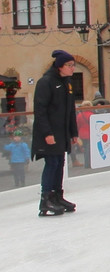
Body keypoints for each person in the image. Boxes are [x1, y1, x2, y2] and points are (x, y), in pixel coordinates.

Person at [32, 50, 82, 216]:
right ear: (60, 66)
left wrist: (73, 133)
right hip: (49, 133)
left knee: (60, 163)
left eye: (73, 65)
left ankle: (57, 196)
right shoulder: (46, 82)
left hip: (61, 133)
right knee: (52, 163)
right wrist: (47, 133)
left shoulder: (67, 83)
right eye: (69, 65)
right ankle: (46, 199)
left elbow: (70, 110)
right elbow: (40, 110)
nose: (72, 68)